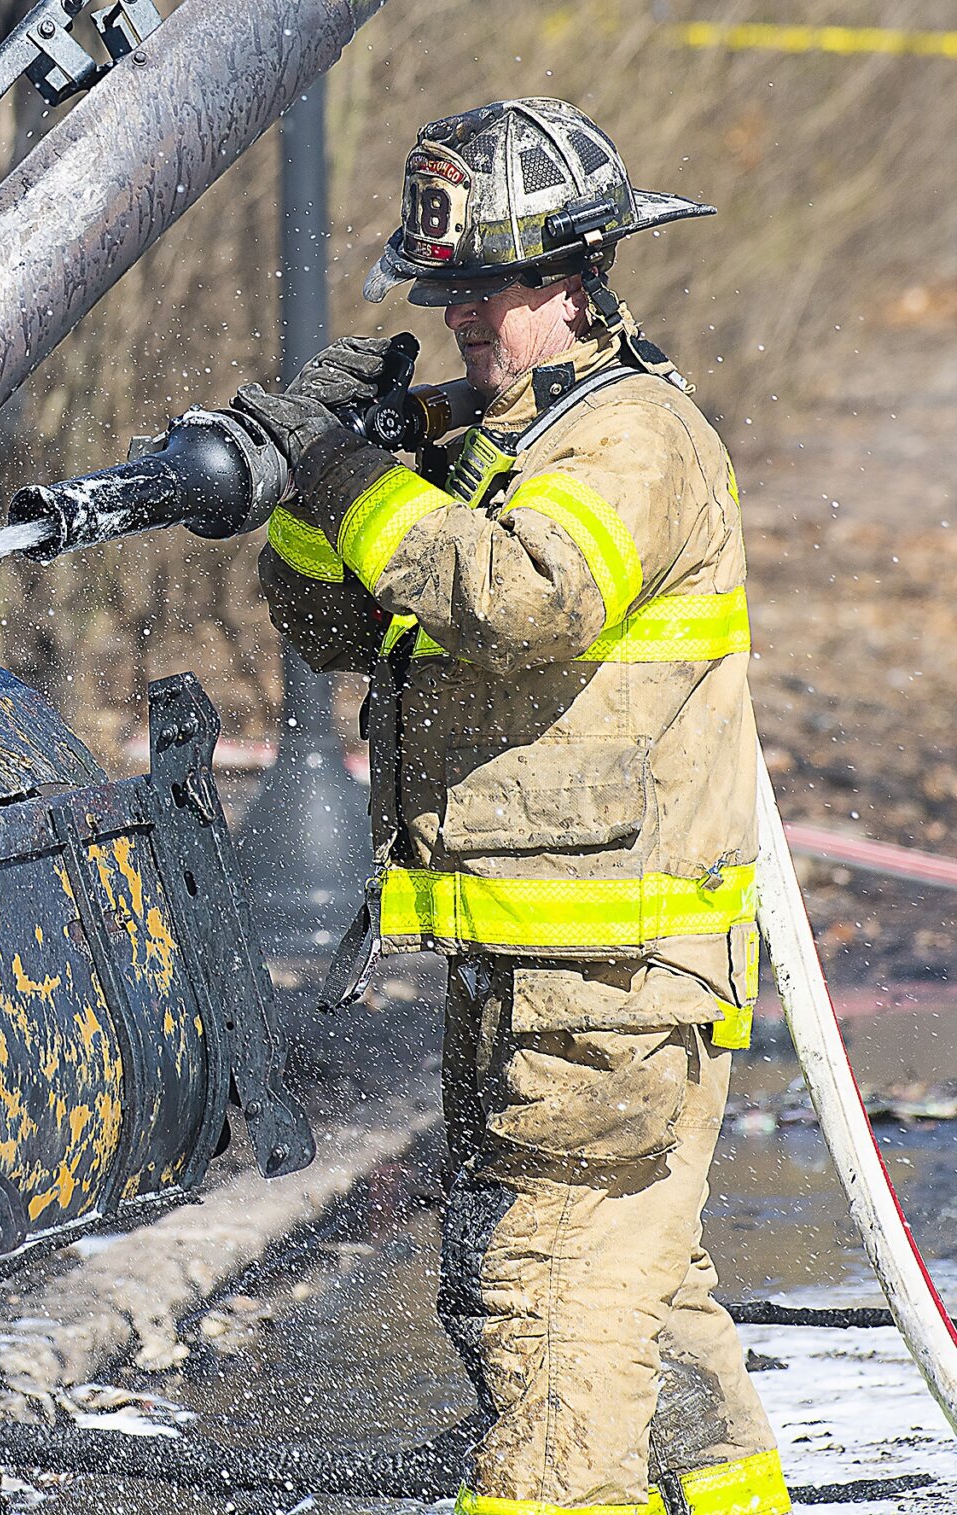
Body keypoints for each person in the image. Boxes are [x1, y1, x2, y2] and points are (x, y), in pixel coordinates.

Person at [230, 98, 788, 1515]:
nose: (467, 316)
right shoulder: (489, 446)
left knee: (542, 1306)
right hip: (552, 979)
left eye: (495, 285)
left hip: (606, 978)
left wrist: (359, 480)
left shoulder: (631, 443)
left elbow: (521, 596)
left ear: (580, 275)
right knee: (642, 1306)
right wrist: (313, 479)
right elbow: (340, 629)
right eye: (451, 291)